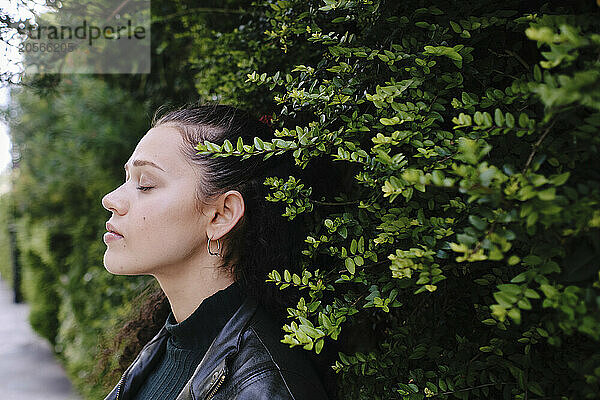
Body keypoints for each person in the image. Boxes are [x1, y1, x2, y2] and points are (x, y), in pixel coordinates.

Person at [100, 105, 330, 400]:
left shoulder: (264, 388)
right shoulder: (168, 346)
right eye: (127, 179)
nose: (111, 199)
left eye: (145, 184)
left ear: (221, 215)